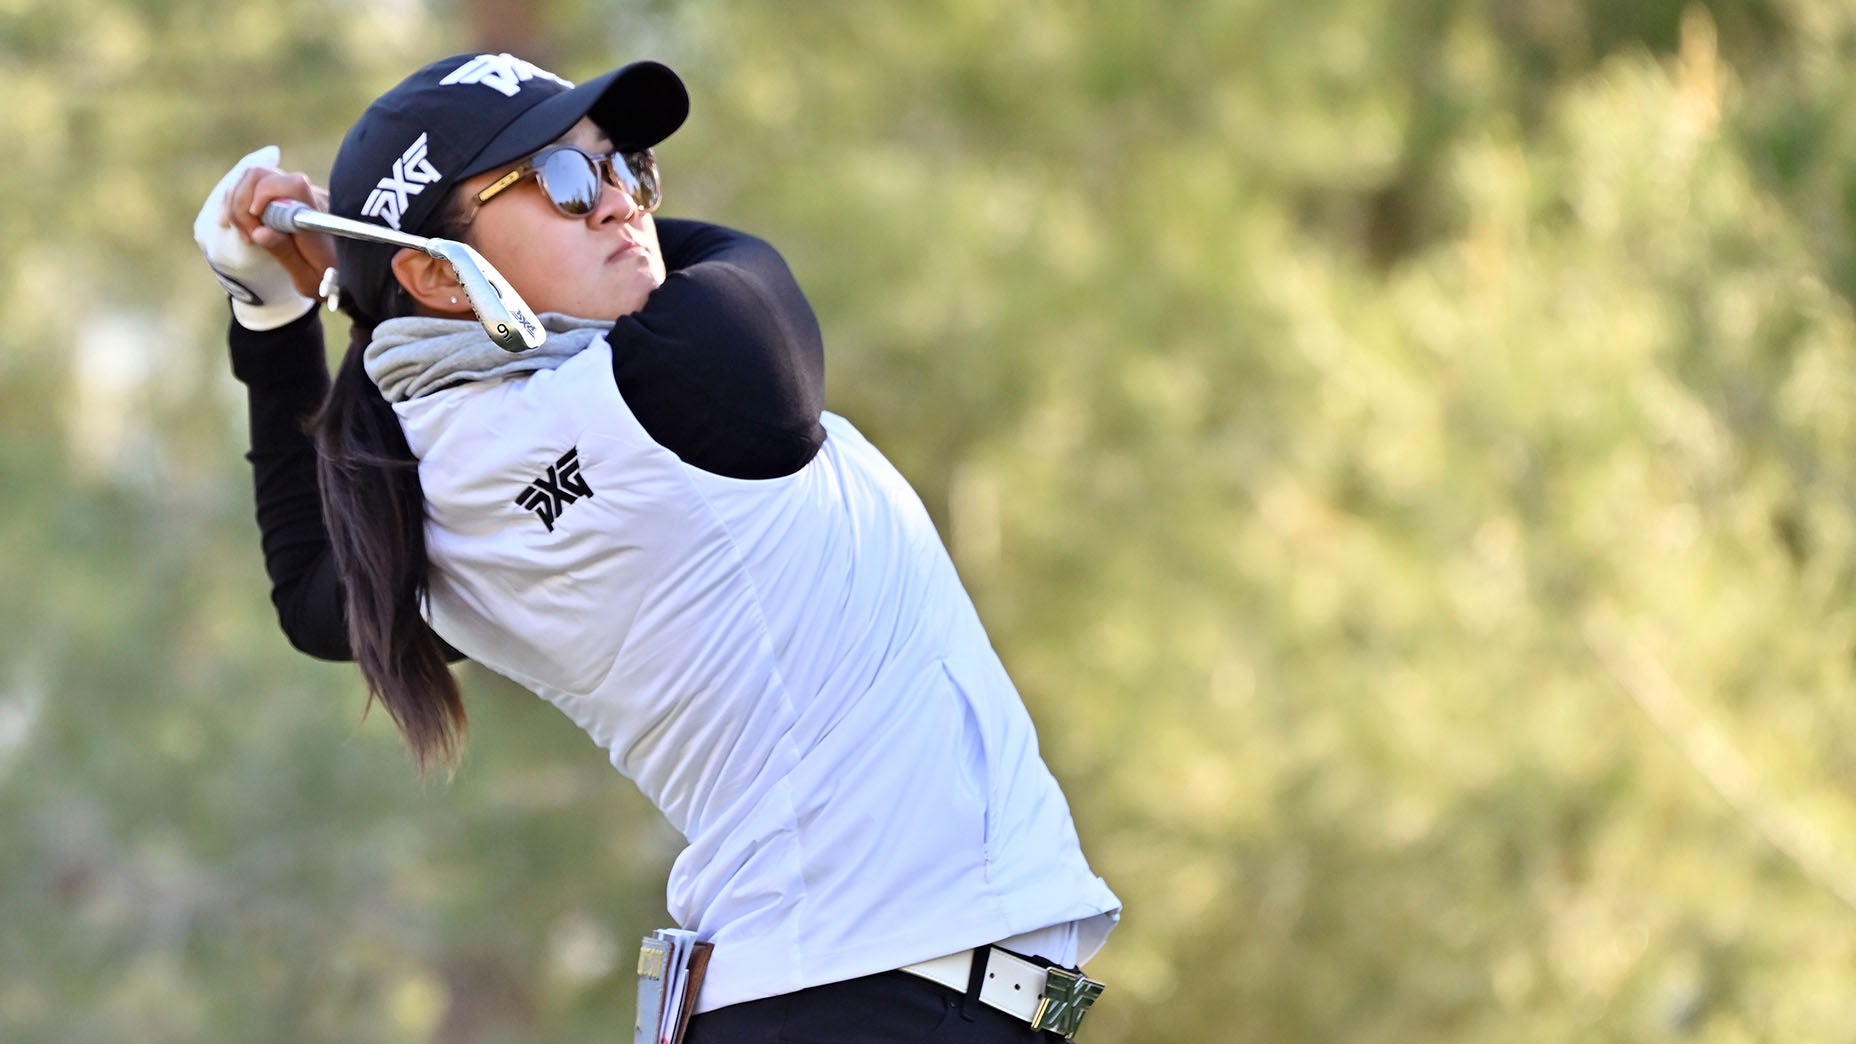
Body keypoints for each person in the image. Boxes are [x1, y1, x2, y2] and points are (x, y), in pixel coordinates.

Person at [194, 51, 1119, 1042]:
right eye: (556, 178)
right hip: (863, 1001)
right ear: (437, 275)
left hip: (852, 998)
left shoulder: (433, 478)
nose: (617, 204)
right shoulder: (663, 388)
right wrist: (359, 264)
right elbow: (741, 277)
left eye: (626, 166)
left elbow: (310, 592)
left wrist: (283, 312)